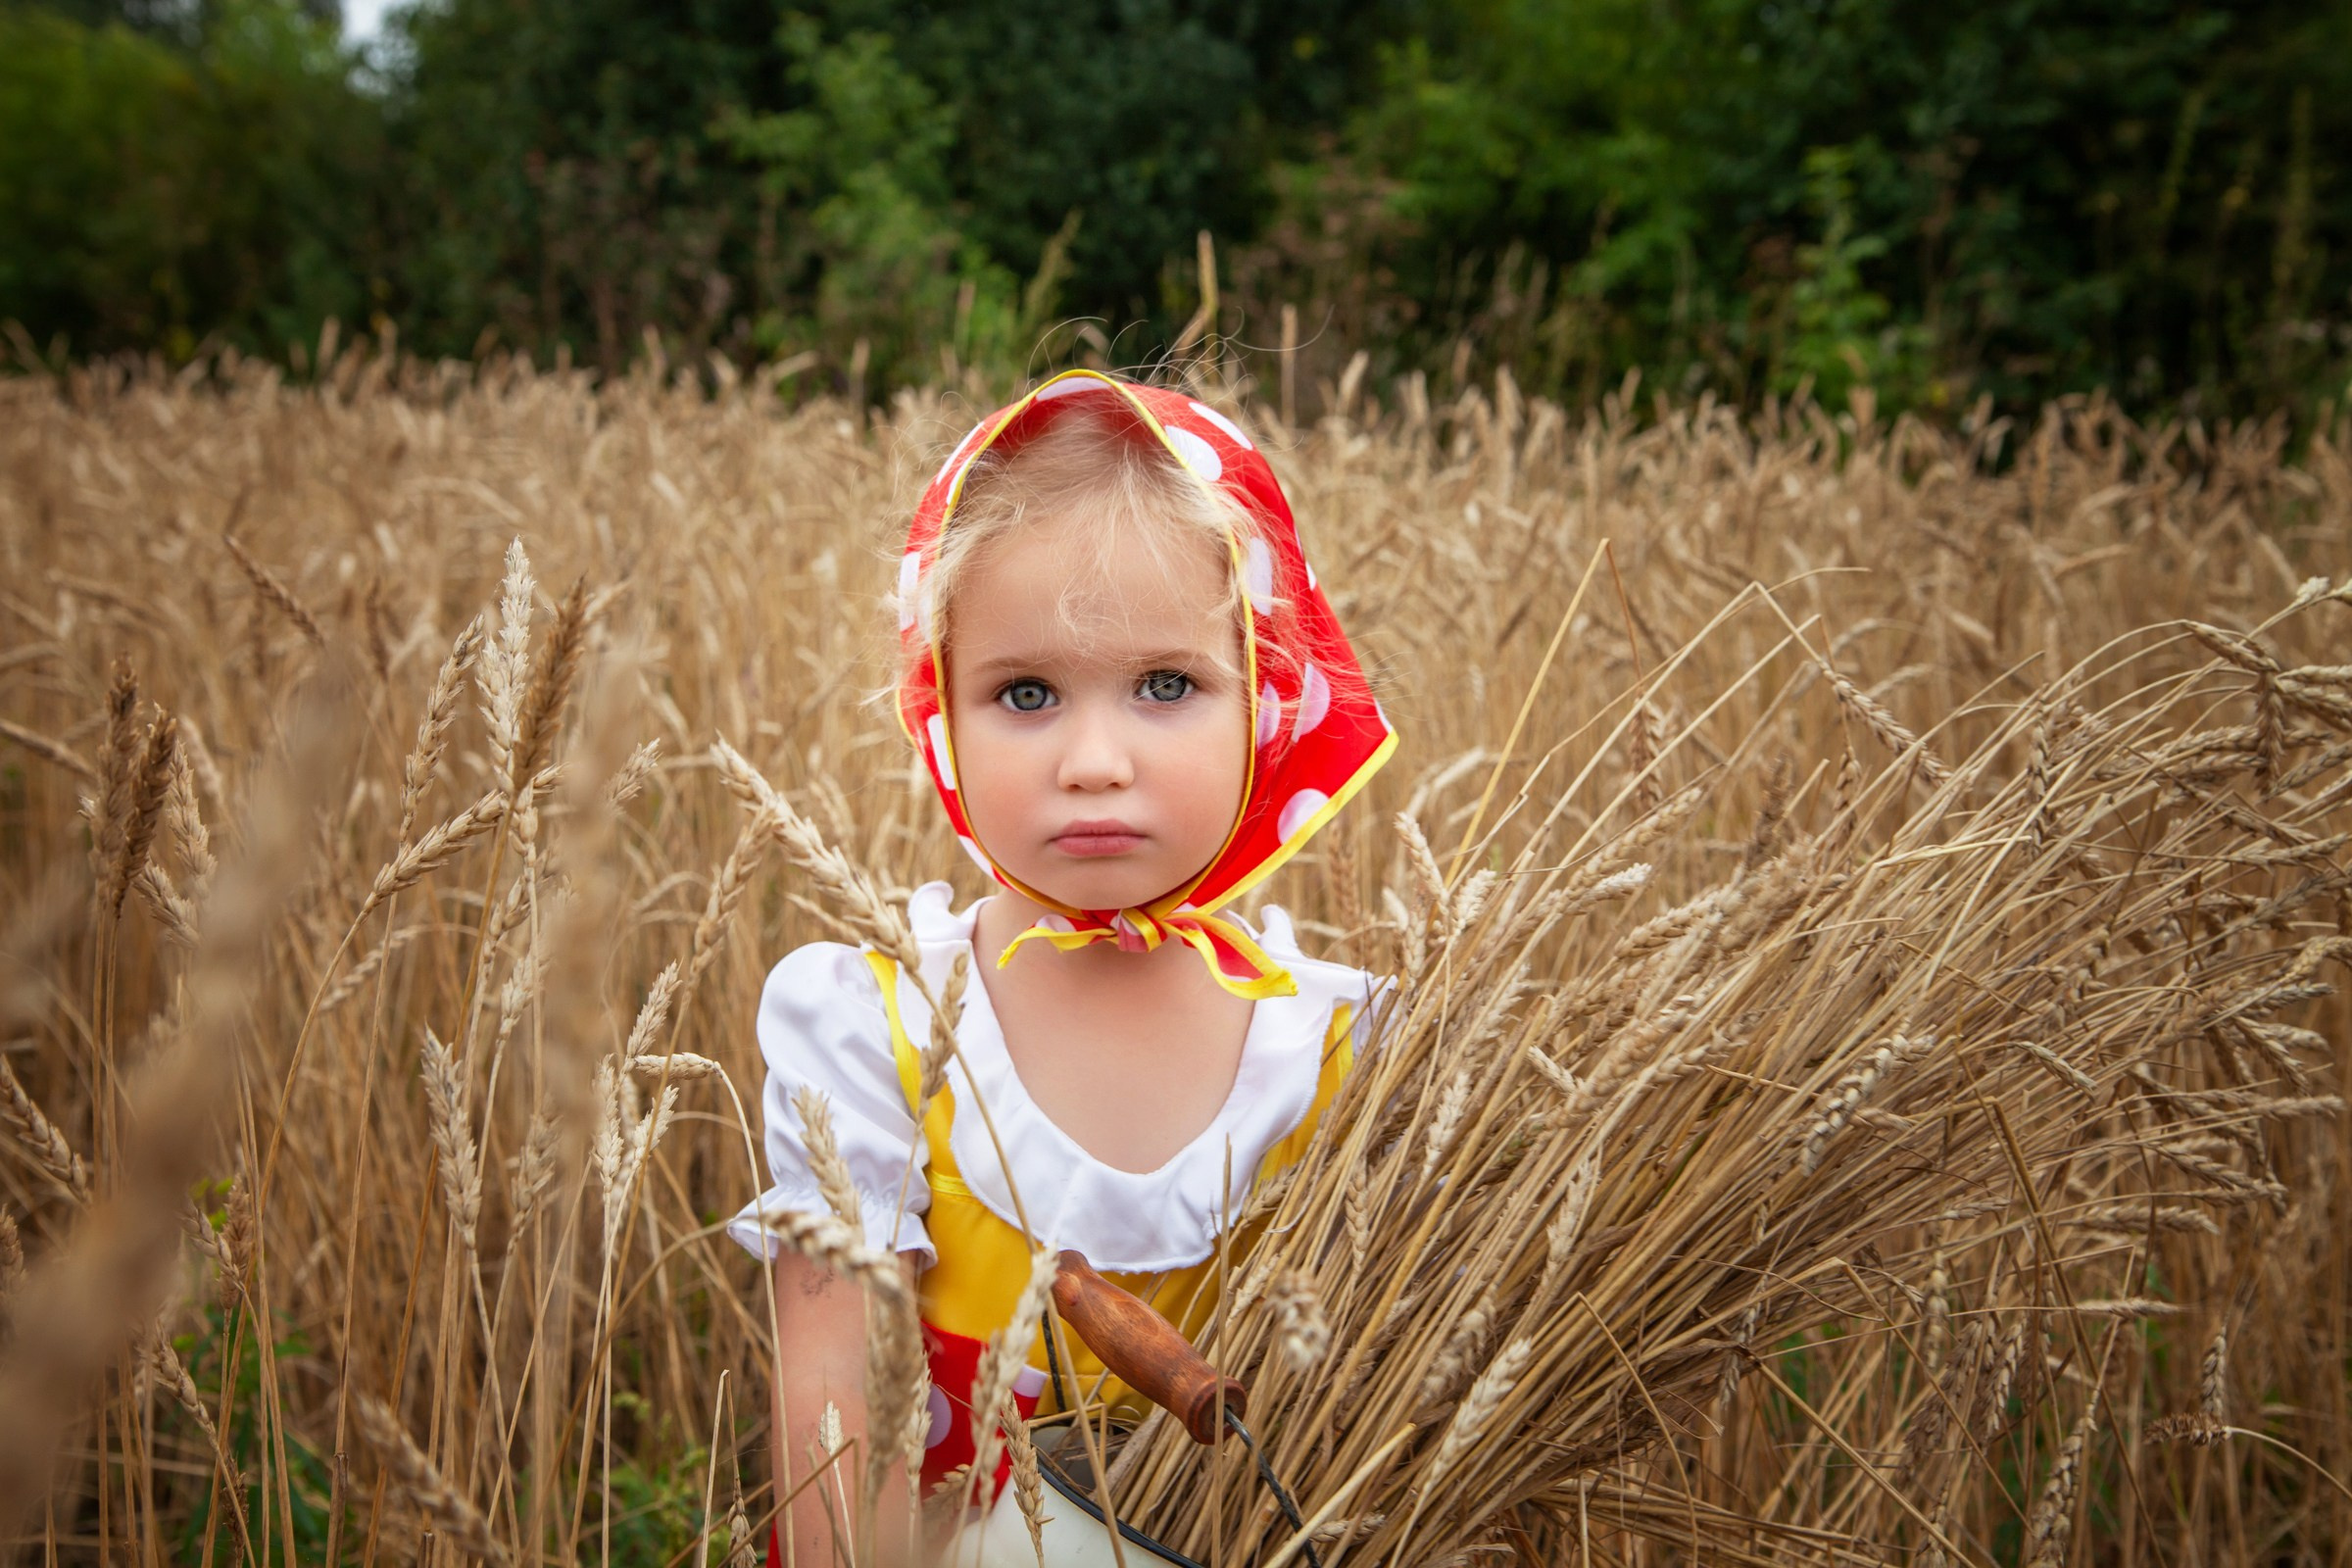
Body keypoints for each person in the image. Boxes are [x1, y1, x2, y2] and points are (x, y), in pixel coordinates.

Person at [725, 370, 1397, 1564]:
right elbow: (835, 1437)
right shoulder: (874, 1030)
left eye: (1166, 686)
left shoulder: (1347, 1050)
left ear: (1269, 700)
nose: (1095, 759)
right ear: (939, 708)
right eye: (1025, 692)